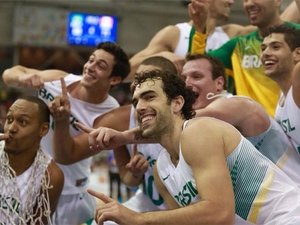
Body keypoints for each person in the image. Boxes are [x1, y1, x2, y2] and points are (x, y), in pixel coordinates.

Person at [79, 69, 300, 225]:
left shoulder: (199, 131)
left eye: (149, 97)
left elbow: (219, 214)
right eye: (136, 101)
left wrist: (137, 218)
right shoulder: (161, 171)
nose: (140, 107)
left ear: (177, 103)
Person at [2, 42, 130, 224]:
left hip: (67, 196)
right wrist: (24, 78)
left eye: (101, 66)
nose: (90, 67)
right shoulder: (59, 78)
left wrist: (62, 120)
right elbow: (9, 74)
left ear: (115, 80)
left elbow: (67, 155)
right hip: (27, 182)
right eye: (91, 60)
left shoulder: (112, 114)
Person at [50, 56, 177, 225]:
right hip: (147, 204)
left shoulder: (199, 120)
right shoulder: (120, 119)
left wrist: (125, 137)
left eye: (149, 79)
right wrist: (135, 173)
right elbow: (128, 178)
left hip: (181, 211)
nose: (140, 84)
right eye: (137, 79)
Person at [181, 53, 300, 186]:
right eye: (183, 78)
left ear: (219, 83)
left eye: (196, 77)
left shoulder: (238, 105)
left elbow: (182, 120)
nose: (186, 84)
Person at [126, 0, 299, 82]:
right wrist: (162, 58)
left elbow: (280, 28)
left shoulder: (235, 33)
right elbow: (125, 71)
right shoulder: (175, 33)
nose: (232, 1)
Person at [191, 0, 300, 117]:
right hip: (255, 130)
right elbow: (196, 66)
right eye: (245, 0)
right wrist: (199, 30)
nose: (249, 4)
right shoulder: (238, 45)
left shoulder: (297, 35)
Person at [0, 96, 64, 224]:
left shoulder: (50, 177)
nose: (11, 128)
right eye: (9, 119)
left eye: (22, 122)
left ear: (43, 129)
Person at [261, 25, 300, 155]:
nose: (265, 53)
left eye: (275, 47)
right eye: (263, 48)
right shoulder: (282, 96)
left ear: (297, 54)